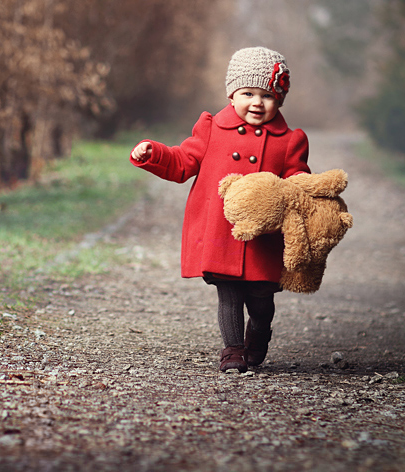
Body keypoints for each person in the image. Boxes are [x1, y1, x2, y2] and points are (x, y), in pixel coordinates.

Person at [129, 46, 310, 373]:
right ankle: (233, 352)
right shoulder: (211, 128)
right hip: (221, 234)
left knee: (261, 299)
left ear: (280, 100)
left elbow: (298, 178)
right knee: (228, 294)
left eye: (268, 96)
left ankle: (259, 332)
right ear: (231, 94)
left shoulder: (289, 140)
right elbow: (183, 162)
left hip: (262, 238)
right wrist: (152, 153)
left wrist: (298, 188)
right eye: (248, 93)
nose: (257, 102)